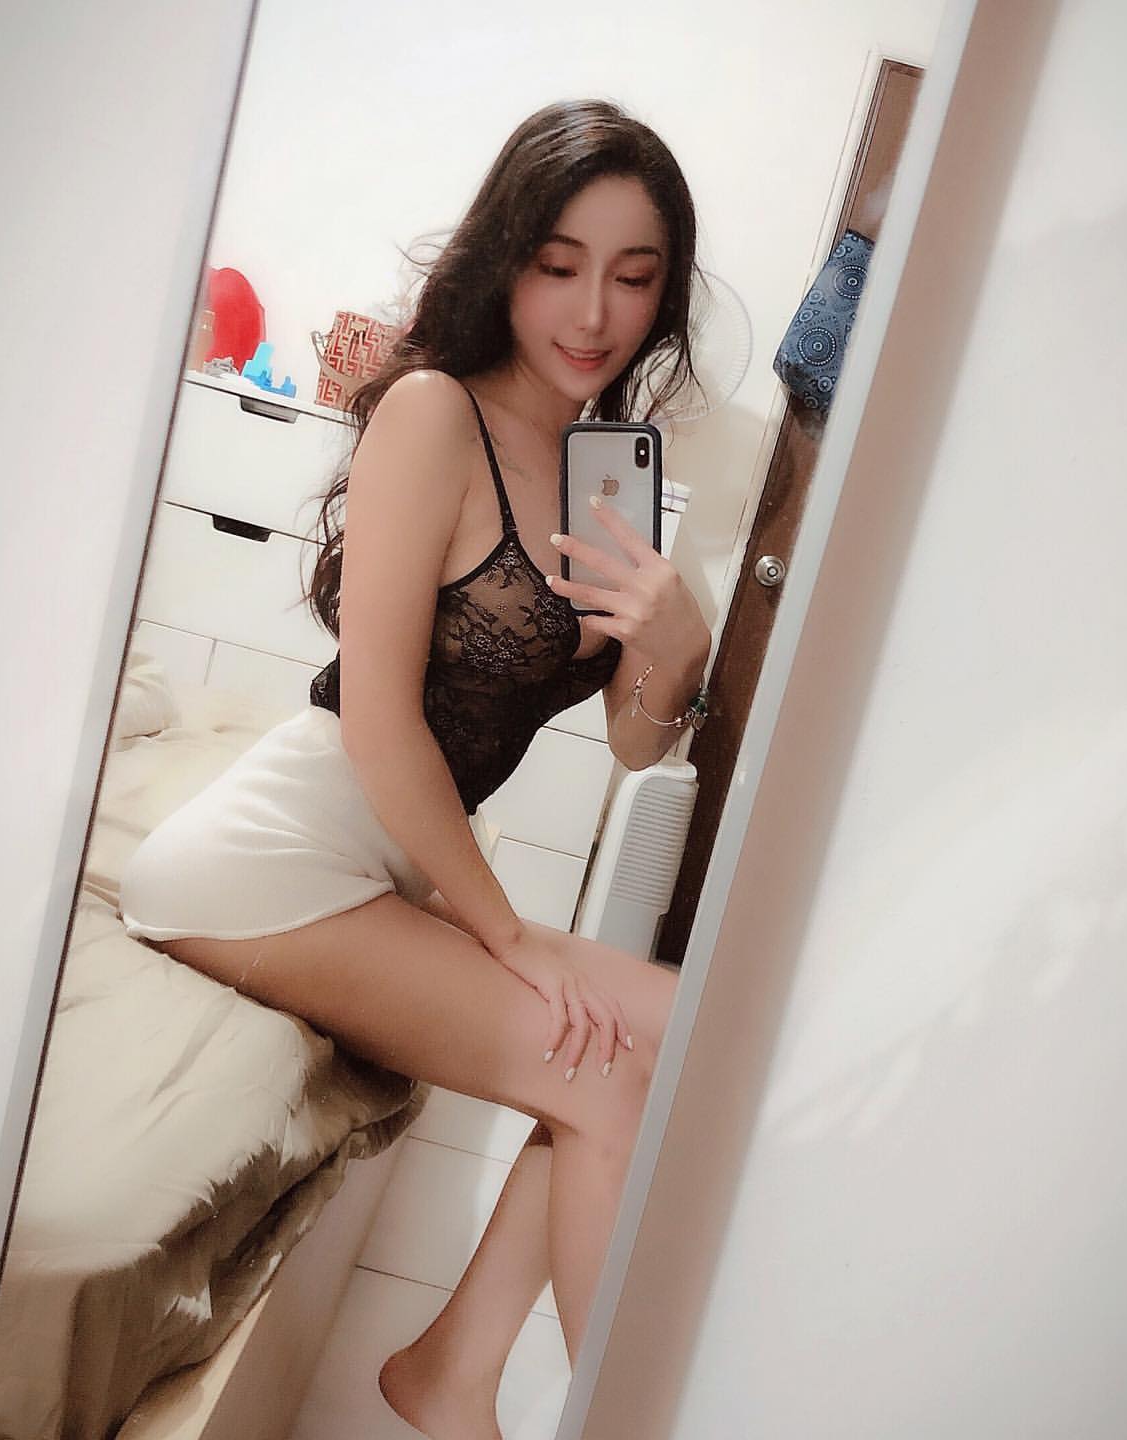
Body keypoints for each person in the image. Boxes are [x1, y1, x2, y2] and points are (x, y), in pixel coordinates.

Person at [119, 98, 711, 1440]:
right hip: (272, 859)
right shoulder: (436, 415)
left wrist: (674, 650)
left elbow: (631, 741)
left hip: (384, 858)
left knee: (689, 1027)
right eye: (559, 263)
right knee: (601, 1073)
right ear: (508, 254)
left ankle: (449, 1371)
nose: (593, 312)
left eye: (633, 275)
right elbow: (380, 722)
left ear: (664, 293)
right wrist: (513, 938)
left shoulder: (610, 468)